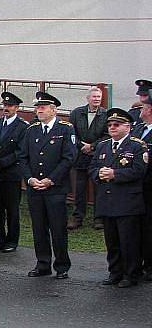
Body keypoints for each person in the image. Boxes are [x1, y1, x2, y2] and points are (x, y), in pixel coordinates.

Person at [19, 91, 76, 279]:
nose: (39, 110)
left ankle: (62, 265)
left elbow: (69, 158)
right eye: (37, 107)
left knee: (58, 228)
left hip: (55, 189)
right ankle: (43, 263)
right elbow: (23, 158)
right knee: (39, 228)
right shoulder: (31, 130)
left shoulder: (65, 129)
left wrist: (51, 179)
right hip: (35, 188)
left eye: (42, 108)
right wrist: (29, 179)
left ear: (54, 110)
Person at [89, 108, 148, 287]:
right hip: (107, 200)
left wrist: (115, 174)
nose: (112, 127)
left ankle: (131, 274)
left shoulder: (137, 146)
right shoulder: (102, 145)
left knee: (128, 241)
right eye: (110, 125)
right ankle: (115, 272)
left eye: (117, 124)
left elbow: (139, 171)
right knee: (112, 240)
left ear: (128, 127)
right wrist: (99, 173)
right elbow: (91, 167)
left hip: (127, 201)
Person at [0, 91, 28, 253]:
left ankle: (12, 240)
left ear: (16, 108)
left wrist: (2, 163)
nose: (6, 108)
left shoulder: (22, 126)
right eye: (4, 105)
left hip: (11, 174)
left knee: (12, 209)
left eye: (9, 106)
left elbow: (20, 150)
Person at [67, 87, 107, 230]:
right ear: (87, 98)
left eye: (99, 97)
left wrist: (93, 146)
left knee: (99, 188)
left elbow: (107, 135)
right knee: (79, 189)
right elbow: (71, 132)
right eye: (94, 96)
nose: (97, 99)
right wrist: (81, 146)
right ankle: (77, 217)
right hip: (80, 155)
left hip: (98, 157)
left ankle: (99, 218)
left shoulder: (106, 114)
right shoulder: (77, 113)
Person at [129, 98, 152, 282]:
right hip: (134, 188)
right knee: (135, 228)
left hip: (150, 187)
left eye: (143, 107)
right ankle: (135, 264)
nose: (140, 110)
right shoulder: (138, 128)